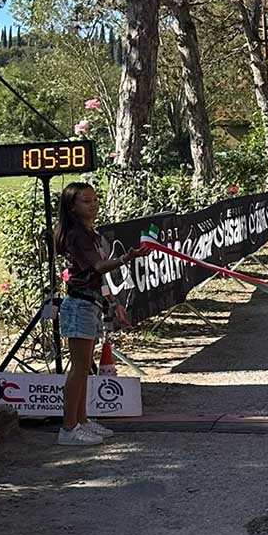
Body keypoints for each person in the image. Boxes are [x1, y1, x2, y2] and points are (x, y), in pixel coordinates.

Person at [54, 182, 151, 447]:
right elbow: (98, 266)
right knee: (78, 368)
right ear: (72, 207)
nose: (93, 205)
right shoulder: (76, 235)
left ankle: (82, 421)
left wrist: (112, 301)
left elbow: (99, 277)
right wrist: (126, 258)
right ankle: (68, 428)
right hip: (79, 304)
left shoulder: (92, 233)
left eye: (95, 199)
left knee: (86, 367)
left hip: (92, 303)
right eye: (86, 201)